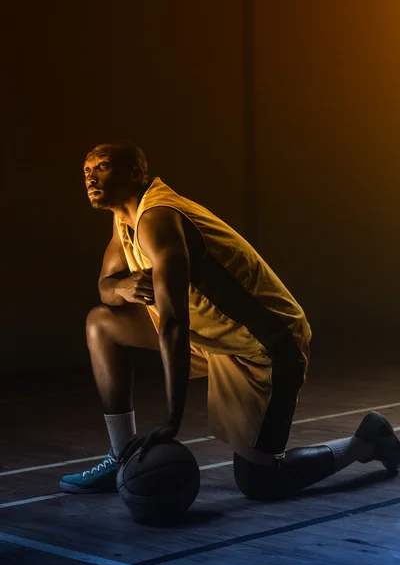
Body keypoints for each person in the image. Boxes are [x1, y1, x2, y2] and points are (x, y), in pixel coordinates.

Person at [60, 140, 400, 499]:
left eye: (102, 167)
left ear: (135, 174)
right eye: (86, 170)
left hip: (265, 345)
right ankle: (121, 453)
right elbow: (105, 286)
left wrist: (171, 419)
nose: (90, 177)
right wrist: (125, 288)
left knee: (260, 482)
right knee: (100, 323)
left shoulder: (158, 219)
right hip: (211, 337)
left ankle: (366, 442)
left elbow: (174, 323)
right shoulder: (123, 220)